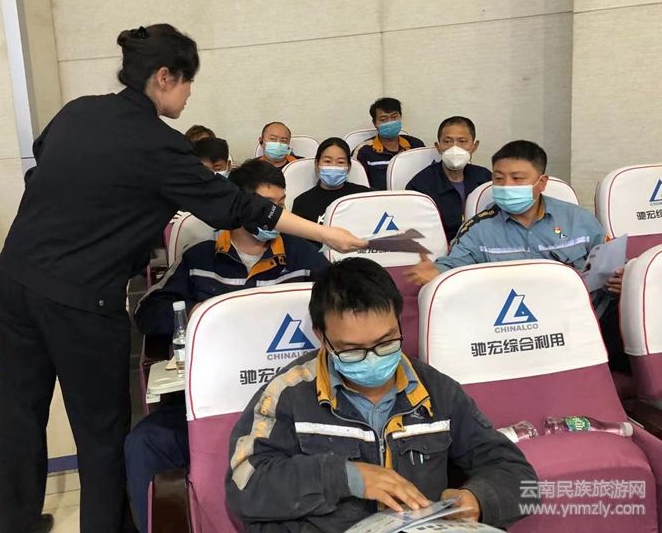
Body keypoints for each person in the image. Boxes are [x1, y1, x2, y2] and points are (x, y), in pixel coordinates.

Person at [0, 23, 366, 533]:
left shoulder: (77, 111)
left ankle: (15, 524)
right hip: (83, 296)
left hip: (16, 275)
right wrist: (328, 234)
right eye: (188, 81)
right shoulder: (158, 145)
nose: (190, 94)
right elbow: (239, 207)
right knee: (100, 430)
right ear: (165, 77)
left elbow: (44, 159)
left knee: (19, 415)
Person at [226, 258, 537, 532]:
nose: (373, 359)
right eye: (351, 350)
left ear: (399, 323)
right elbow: (244, 485)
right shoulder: (289, 394)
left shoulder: (436, 391)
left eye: (386, 342)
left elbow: (519, 477)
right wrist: (345, 477)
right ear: (322, 336)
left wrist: (478, 499)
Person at [127, 160, 330, 532]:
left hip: (292, 399)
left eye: (281, 205)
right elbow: (148, 311)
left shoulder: (303, 256)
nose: (276, 215)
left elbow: (343, 306)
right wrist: (198, 316)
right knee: (145, 443)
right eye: (267, 206)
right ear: (238, 207)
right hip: (218, 398)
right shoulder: (200, 258)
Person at [405, 140, 627, 371]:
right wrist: (436, 271)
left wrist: (621, 278)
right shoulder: (479, 229)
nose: (506, 186)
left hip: (584, 320)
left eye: (517, 178)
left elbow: (609, 260)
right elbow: (453, 265)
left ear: (541, 183)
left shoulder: (578, 219)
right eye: (499, 178)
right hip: (516, 329)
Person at [406, 116, 491, 241]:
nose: (454, 148)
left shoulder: (485, 178)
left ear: (474, 146)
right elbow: (417, 232)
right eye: (447, 141)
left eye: (462, 141)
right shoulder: (419, 185)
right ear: (438, 146)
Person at [291, 138, 370, 225]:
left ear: (349, 167)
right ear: (317, 164)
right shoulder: (302, 202)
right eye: (327, 161)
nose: (333, 166)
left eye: (340, 162)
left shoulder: (364, 195)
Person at [355, 97, 425, 191]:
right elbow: (358, 185)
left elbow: (427, 178)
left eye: (394, 117)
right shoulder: (364, 150)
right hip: (378, 199)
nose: (390, 122)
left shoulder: (416, 145)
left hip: (413, 197)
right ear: (375, 123)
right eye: (383, 119)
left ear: (400, 117)